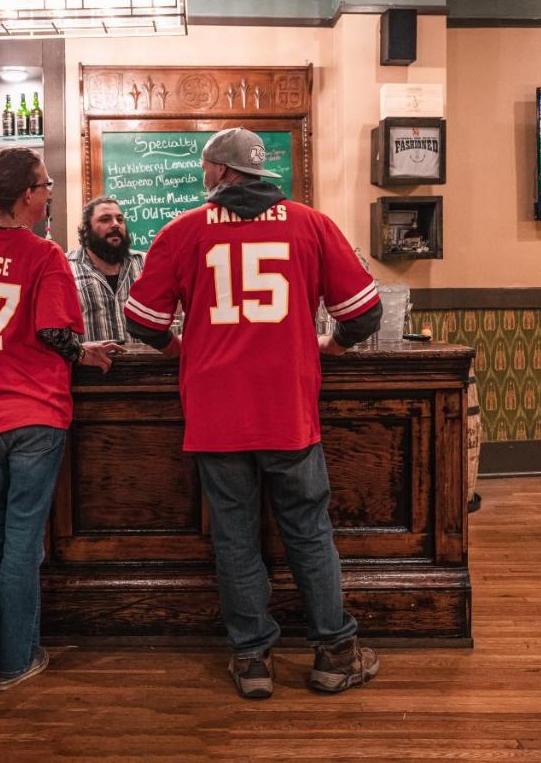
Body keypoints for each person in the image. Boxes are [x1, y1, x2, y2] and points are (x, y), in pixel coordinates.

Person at [123, 127, 384, 699]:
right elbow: (364, 313)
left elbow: (141, 321)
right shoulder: (311, 224)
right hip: (288, 409)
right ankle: (335, 654)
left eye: (204, 169)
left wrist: (183, 349)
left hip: (216, 414)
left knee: (235, 540)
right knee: (309, 534)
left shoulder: (183, 230)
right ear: (261, 172)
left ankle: (252, 661)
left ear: (217, 172)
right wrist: (332, 347)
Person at [0, 147, 121, 694]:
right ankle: (17, 658)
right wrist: (84, 351)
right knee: (22, 537)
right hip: (35, 413)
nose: (49, 193)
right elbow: (55, 333)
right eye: (45, 185)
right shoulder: (45, 255)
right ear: (26, 196)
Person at [66, 196, 145, 343]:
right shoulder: (66, 267)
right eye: (105, 219)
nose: (116, 225)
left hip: (147, 363)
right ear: (86, 228)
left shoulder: (144, 263)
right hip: (89, 364)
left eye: (120, 219)